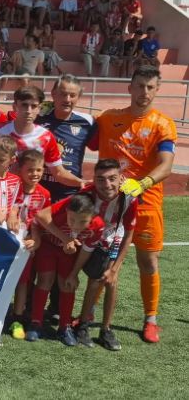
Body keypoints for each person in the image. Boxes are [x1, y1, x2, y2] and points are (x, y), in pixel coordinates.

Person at [88, 65, 176, 343]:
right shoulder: (108, 118)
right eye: (139, 86)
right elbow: (83, 135)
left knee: (147, 261)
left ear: (157, 90)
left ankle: (150, 319)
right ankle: (88, 315)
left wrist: (143, 183)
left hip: (146, 204)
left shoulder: (163, 124)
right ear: (130, 88)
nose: (144, 92)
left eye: (150, 87)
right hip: (111, 206)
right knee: (103, 259)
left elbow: (167, 165)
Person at [72, 158, 138, 351]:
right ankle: (79, 323)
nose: (107, 184)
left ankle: (104, 329)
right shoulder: (86, 194)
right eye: (101, 179)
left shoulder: (129, 197)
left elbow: (128, 234)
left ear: (121, 178)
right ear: (94, 179)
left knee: (109, 281)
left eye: (112, 178)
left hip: (111, 239)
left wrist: (115, 269)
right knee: (84, 279)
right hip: (86, 238)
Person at [0, 85, 85, 188]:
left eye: (33, 106)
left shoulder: (46, 137)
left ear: (39, 109)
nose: (28, 111)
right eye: (24, 105)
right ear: (15, 107)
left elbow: (58, 173)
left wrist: (82, 182)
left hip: (25, 197)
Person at [26, 193, 105, 346]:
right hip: (48, 246)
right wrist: (65, 238)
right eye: (72, 220)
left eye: (83, 221)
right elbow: (37, 220)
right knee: (45, 280)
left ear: (93, 216)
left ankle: (64, 327)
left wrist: (74, 273)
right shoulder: (60, 215)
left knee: (68, 284)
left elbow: (86, 251)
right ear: (67, 212)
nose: (76, 225)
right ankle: (36, 322)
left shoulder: (97, 226)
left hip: (70, 253)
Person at [8, 149, 51, 340]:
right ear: (20, 169)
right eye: (30, 170)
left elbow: (43, 222)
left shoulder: (45, 194)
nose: (35, 174)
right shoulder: (11, 187)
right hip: (5, 243)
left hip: (26, 247)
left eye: (39, 170)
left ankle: (17, 319)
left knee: (22, 282)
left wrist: (36, 238)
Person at [36, 75, 94, 202]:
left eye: (72, 95)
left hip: (69, 193)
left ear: (79, 97)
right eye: (63, 94)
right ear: (53, 94)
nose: (67, 99)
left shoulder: (87, 122)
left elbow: (101, 146)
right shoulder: (37, 117)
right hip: (38, 191)